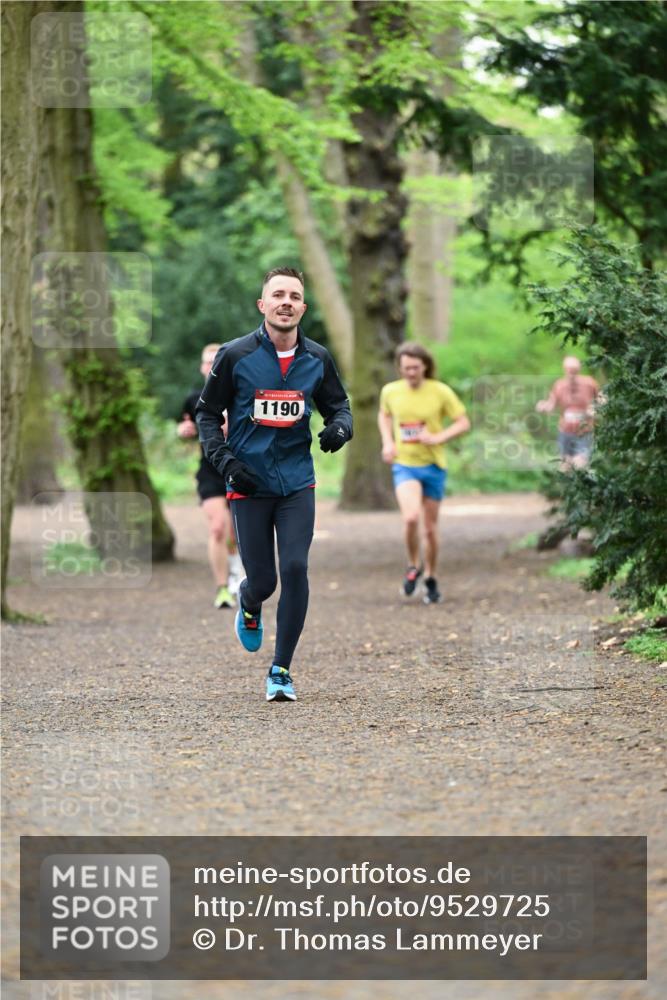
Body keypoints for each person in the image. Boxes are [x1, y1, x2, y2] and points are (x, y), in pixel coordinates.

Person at [195, 268, 352, 702]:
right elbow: (206, 416)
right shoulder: (235, 355)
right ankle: (248, 603)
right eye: (277, 294)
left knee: (297, 568)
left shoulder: (317, 358)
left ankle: (280, 669)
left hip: (297, 483)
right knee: (263, 582)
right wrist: (226, 462)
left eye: (295, 295)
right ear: (263, 305)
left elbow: (339, 406)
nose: (286, 301)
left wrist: (341, 428)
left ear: (303, 307)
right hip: (247, 482)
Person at [378, 342, 470, 604]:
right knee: (410, 518)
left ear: (425, 366)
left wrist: (438, 436)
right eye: (406, 368)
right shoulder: (391, 391)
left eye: (415, 368)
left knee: (429, 529)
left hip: (433, 466)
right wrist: (388, 441)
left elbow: (463, 422)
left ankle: (430, 576)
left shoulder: (440, 391)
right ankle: (412, 564)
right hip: (405, 464)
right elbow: (384, 416)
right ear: (400, 368)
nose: (410, 373)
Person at [177, 343, 243, 609]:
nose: (211, 365)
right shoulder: (194, 400)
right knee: (218, 527)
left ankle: (238, 568)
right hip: (210, 472)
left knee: (237, 533)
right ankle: (223, 588)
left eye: (217, 360)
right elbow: (184, 426)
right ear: (202, 367)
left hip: (241, 469)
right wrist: (184, 431)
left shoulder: (241, 394)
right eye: (207, 361)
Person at [535, 356, 600, 469]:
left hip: (584, 431)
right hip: (565, 431)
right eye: (569, 371)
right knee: (565, 466)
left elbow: (601, 399)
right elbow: (551, 404)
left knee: (580, 464)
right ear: (565, 370)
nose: (572, 374)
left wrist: (594, 408)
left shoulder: (589, 383)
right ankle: (566, 486)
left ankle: (584, 483)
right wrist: (543, 406)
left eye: (575, 371)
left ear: (579, 370)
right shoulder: (559, 385)